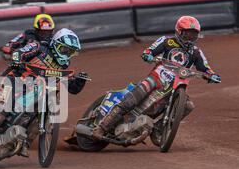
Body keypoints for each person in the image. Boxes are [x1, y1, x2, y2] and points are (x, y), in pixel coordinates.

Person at [0, 28, 89, 160]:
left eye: (71, 52)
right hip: (14, 83)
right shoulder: (39, 47)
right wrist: (17, 59)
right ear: (56, 44)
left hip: (35, 92)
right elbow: (19, 52)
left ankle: (24, 143)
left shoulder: (63, 65)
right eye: (65, 50)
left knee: (37, 114)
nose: (67, 54)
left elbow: (72, 89)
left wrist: (79, 81)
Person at [91, 16, 221, 140]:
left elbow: (205, 67)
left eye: (193, 34)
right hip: (156, 78)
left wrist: (212, 75)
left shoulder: (196, 52)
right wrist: (147, 55)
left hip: (176, 86)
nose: (190, 38)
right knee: (131, 100)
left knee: (188, 105)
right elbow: (149, 51)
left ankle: (159, 130)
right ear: (179, 31)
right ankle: (102, 128)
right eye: (187, 34)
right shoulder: (166, 41)